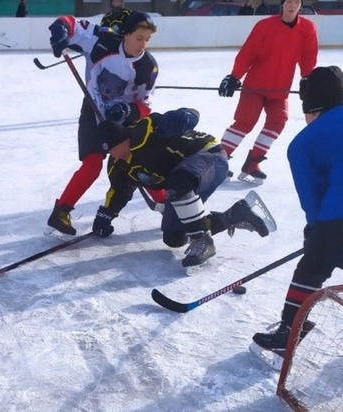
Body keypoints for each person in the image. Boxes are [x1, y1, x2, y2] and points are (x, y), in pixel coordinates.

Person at [92, 109, 270, 267]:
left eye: (115, 148)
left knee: (178, 182)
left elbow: (192, 114)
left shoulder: (147, 132)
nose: (114, 155)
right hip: (184, 178)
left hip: (210, 157)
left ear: (125, 138)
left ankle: (203, 241)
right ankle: (233, 215)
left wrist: (183, 117)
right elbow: (119, 191)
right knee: (174, 237)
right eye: (109, 152)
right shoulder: (120, 165)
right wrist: (105, 216)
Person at [252, 66, 343, 354]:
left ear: (311, 107)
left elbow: (313, 200)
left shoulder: (304, 143)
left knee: (312, 267)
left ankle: (289, 332)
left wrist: (315, 234)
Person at [46, 11, 159, 236]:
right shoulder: (101, 41)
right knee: (92, 164)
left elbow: (146, 105)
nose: (143, 44)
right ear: (125, 34)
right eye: (139, 38)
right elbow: (71, 23)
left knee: (137, 161)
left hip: (123, 120)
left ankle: (168, 204)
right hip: (92, 110)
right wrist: (60, 30)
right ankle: (60, 212)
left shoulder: (147, 66)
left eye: (147, 39)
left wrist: (128, 111)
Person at [218, 0, 317, 184]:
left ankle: (253, 162)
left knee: (278, 121)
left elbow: (309, 55)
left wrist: (307, 78)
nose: (292, 5)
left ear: (300, 5)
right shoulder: (264, 26)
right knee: (244, 122)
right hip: (255, 86)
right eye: (289, 1)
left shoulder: (308, 28)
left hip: (280, 88)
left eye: (296, 2)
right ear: (282, 4)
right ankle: (218, 161)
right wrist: (234, 76)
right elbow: (248, 52)